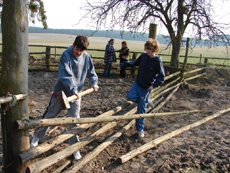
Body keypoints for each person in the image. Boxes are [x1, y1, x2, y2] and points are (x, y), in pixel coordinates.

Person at [30, 35, 99, 160]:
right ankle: (37, 136)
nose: (78, 52)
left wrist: (94, 82)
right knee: (50, 116)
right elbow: (65, 76)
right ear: (73, 45)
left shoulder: (86, 57)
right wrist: (74, 90)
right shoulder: (66, 55)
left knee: (75, 121)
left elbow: (91, 72)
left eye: (81, 51)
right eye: (77, 49)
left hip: (76, 96)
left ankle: (75, 148)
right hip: (60, 94)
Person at [117, 38, 165, 138]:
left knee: (141, 111)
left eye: (150, 49)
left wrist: (154, 85)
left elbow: (161, 77)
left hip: (146, 88)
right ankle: (146, 101)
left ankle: (140, 130)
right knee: (130, 96)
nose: (148, 51)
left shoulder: (157, 61)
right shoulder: (143, 56)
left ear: (155, 49)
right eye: (146, 48)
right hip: (137, 83)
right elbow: (133, 63)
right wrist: (122, 65)